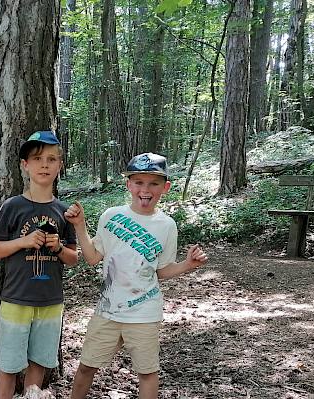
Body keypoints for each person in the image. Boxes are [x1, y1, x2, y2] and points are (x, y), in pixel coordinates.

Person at [65, 152, 209, 399]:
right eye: (139, 182)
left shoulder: (166, 225)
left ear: (165, 187)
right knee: (87, 365)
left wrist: (187, 265)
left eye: (153, 183)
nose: (146, 189)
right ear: (128, 185)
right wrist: (80, 225)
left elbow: (162, 270)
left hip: (144, 313)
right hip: (108, 310)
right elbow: (91, 257)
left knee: (147, 372)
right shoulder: (111, 216)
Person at [0, 131, 79, 399]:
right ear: (24, 165)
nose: (44, 165)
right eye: (37, 158)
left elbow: (73, 258)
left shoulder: (63, 211)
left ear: (59, 166)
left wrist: (59, 247)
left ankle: (32, 396)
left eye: (51, 159)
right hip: (16, 300)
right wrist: (23, 241)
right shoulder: (12, 206)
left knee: (39, 362)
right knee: (8, 366)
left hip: (50, 301)